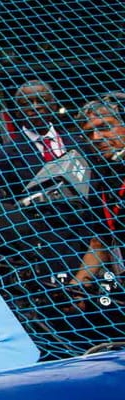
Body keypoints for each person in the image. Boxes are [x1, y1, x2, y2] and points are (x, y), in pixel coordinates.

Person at [0, 80, 82, 199]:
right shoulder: (1, 157)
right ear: (17, 112)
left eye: (42, 100)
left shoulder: (78, 143)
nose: (35, 107)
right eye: (27, 103)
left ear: (54, 105)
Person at [72, 95, 125, 283]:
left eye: (105, 127)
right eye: (88, 133)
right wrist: (75, 288)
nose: (96, 138)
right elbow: (100, 242)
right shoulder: (103, 179)